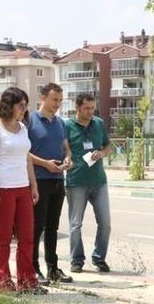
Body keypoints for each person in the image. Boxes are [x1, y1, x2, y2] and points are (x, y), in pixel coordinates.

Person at [0, 87, 46, 295]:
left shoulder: (22, 128)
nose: (24, 109)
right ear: (8, 105)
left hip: (22, 189)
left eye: (26, 106)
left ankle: (27, 282)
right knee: (3, 238)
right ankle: (3, 284)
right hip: (3, 189)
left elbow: (27, 158)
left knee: (27, 237)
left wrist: (33, 185)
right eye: (21, 105)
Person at [27, 83, 73, 284]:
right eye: (54, 100)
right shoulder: (29, 120)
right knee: (36, 227)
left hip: (57, 180)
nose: (57, 104)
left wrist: (68, 158)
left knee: (52, 227)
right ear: (43, 98)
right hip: (38, 181)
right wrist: (44, 164)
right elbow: (23, 152)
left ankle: (53, 268)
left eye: (60, 101)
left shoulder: (60, 122)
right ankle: (33, 268)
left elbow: (65, 147)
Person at [64, 93, 113, 274]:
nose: (90, 111)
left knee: (106, 223)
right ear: (77, 108)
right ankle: (77, 260)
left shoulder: (98, 123)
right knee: (75, 224)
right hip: (76, 181)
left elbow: (108, 146)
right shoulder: (66, 125)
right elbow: (63, 149)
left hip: (99, 181)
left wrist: (101, 153)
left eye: (93, 108)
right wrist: (66, 159)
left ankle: (99, 258)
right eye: (86, 108)